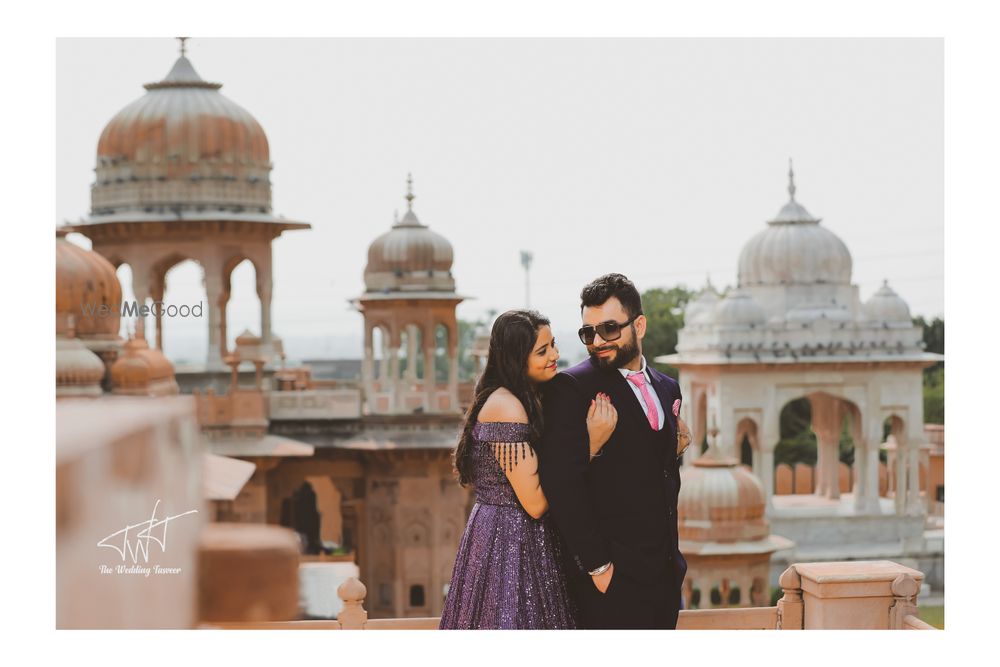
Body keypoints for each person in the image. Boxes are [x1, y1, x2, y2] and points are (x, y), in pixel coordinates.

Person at [439, 309, 618, 629]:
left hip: (523, 539)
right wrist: (590, 444)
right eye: (542, 351)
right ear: (516, 358)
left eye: (553, 345)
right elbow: (534, 502)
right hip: (507, 542)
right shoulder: (505, 405)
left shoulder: (528, 397)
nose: (555, 355)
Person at [538, 273, 689, 629]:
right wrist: (599, 567)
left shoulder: (669, 388)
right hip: (610, 581)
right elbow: (561, 482)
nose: (597, 341)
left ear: (639, 325)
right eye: (588, 333)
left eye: (608, 329)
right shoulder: (571, 387)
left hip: (665, 577)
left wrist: (677, 448)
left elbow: (656, 470)